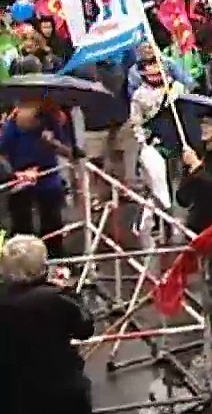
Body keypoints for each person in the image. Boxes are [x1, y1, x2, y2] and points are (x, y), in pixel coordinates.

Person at [0, 234, 95, 414]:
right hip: (59, 390)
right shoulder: (54, 299)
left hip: (11, 392)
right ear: (41, 267)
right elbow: (85, 327)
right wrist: (69, 291)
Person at [0, 100, 73, 256]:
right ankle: (22, 258)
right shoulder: (11, 126)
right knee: (21, 223)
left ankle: (54, 257)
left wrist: (53, 143)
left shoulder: (50, 121)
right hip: (20, 179)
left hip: (48, 177)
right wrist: (13, 174)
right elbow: (2, 150)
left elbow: (68, 152)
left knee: (52, 222)